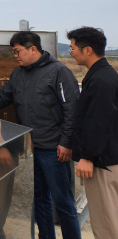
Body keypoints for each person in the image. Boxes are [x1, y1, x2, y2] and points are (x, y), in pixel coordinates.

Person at [0, 31, 81, 239]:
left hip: (54, 149)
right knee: (40, 200)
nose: (15, 55)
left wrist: (66, 143)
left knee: (63, 202)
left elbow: (72, 111)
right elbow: (1, 97)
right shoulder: (19, 74)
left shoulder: (59, 72)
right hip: (33, 149)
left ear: (33, 49)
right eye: (13, 51)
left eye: (17, 51)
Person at [68, 27, 118, 238]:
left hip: (101, 162)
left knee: (105, 222)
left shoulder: (100, 80)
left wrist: (88, 157)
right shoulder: (104, 74)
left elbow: (99, 121)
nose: (71, 52)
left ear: (87, 50)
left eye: (72, 48)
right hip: (107, 158)